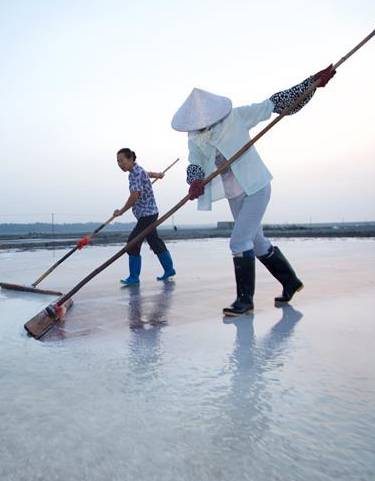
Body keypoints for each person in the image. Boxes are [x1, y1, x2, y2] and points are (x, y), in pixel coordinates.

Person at [171, 65, 336, 315]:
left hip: (256, 186)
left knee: (239, 240)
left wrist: (311, 84)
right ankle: (290, 282)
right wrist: (194, 181)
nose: (201, 126)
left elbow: (273, 104)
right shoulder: (195, 138)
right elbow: (194, 162)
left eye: (203, 121)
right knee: (257, 243)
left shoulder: (235, 118)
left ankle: (245, 301)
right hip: (234, 193)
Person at [113, 148, 176, 285]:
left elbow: (134, 196)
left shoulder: (135, 174)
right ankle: (169, 269)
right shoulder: (138, 170)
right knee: (154, 241)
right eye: (118, 162)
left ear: (130, 159)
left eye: (122, 161)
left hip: (147, 215)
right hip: (149, 213)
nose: (120, 164)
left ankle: (134, 277)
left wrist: (121, 211)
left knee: (132, 244)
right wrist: (158, 175)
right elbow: (147, 174)